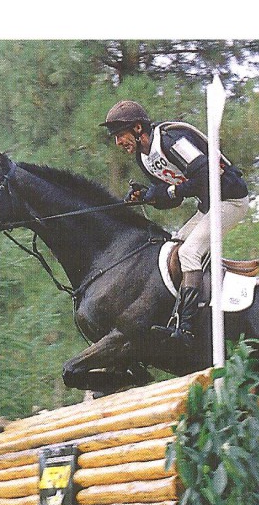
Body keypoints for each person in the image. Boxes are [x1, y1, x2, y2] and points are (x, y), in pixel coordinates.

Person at [101, 99, 250, 346]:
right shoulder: (144, 158)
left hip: (231, 200)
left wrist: (167, 192)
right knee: (173, 248)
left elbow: (206, 176)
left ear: (138, 128)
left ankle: (187, 328)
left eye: (120, 135)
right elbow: (172, 199)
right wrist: (148, 196)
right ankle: (184, 311)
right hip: (210, 205)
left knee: (189, 252)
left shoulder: (171, 140)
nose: (118, 143)